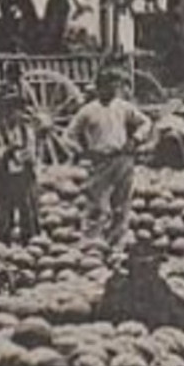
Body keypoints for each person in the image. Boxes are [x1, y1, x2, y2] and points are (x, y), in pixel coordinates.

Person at [65, 68, 153, 248]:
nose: (112, 90)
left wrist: (135, 140)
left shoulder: (124, 107)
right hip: (100, 161)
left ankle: (117, 240)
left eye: (115, 86)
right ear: (98, 88)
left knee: (121, 202)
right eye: (107, 87)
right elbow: (68, 135)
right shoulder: (88, 111)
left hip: (122, 158)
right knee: (96, 202)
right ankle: (92, 241)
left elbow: (146, 122)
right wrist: (82, 151)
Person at [0, 91, 42, 244]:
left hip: (23, 175)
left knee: (27, 209)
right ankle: (1, 240)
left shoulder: (26, 132)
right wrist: (8, 150)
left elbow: (32, 153)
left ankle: (29, 240)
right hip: (3, 177)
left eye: (21, 111)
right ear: (7, 112)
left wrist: (27, 157)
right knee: (2, 211)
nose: (20, 115)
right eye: (17, 111)